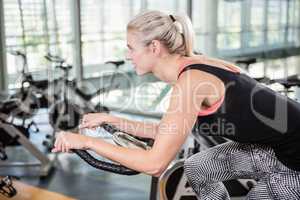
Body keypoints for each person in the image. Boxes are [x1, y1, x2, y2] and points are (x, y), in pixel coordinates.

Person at [52, 10, 300, 199]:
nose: (128, 56)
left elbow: (154, 163)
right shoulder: (191, 68)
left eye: (131, 48)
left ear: (154, 47)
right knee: (198, 167)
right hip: (275, 148)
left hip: (295, 165)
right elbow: (168, 131)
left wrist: (85, 141)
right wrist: (111, 120)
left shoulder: (191, 82)